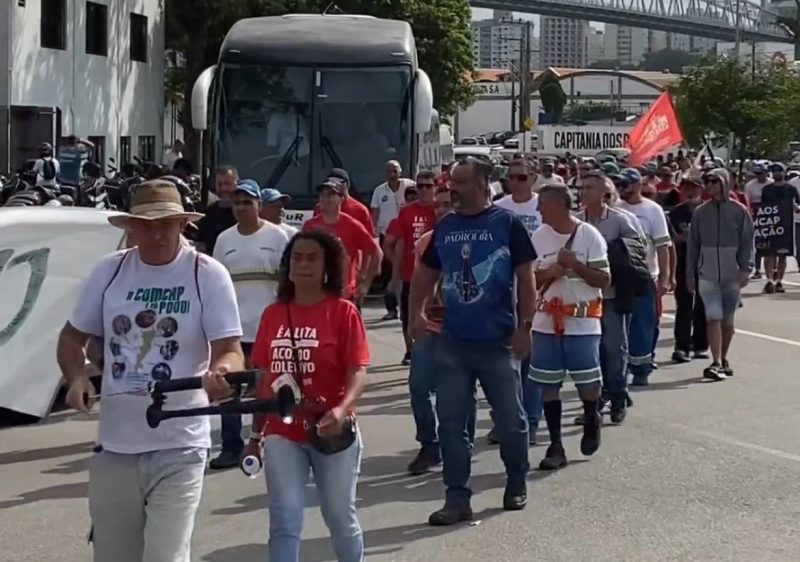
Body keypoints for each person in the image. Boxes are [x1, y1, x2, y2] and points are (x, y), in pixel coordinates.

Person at [56, 180, 244, 562]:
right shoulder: (109, 271)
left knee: (165, 556)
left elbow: (230, 350)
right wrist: (76, 377)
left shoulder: (206, 273)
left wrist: (220, 373)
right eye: (146, 224)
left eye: (166, 224)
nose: (157, 234)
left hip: (181, 442)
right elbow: (71, 338)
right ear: (131, 227)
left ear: (182, 225)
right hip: (116, 444)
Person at [209, 229, 368, 562]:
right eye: (297, 257)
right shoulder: (273, 315)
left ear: (327, 267)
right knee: (284, 520)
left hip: (331, 431)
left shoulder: (342, 312)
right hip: (283, 433)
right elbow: (263, 382)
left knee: (339, 517)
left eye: (312, 258)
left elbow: (357, 371)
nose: (303, 264)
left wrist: (342, 410)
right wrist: (254, 436)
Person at [411, 158, 536, 525]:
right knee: (451, 422)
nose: (454, 188)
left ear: (484, 186)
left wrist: (525, 326)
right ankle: (457, 496)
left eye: (462, 182)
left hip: (498, 342)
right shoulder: (445, 227)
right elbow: (427, 273)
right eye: (452, 182)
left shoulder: (506, 224)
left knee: (511, 420)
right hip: (453, 342)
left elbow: (525, 278)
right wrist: (415, 312)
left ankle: (516, 479)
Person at [209, 179, 291, 470]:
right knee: (229, 390)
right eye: (237, 203)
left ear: (259, 204)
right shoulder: (224, 240)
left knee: (266, 388)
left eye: (247, 202)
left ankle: (267, 440)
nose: (242, 208)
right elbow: (216, 284)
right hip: (234, 329)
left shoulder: (278, 237)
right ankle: (230, 446)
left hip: (268, 327)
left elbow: (287, 280)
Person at [531, 184, 610, 469]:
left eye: (542, 204)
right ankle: (555, 446)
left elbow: (603, 280)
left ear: (559, 206)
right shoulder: (538, 237)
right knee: (548, 386)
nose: (538, 209)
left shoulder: (589, 236)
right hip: (545, 323)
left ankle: (592, 416)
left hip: (582, 324)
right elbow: (527, 280)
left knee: (587, 385)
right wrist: (543, 275)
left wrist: (574, 264)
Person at [406, 185, 477, 475]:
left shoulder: (473, 240)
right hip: (431, 326)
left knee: (463, 391)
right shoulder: (425, 242)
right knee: (419, 387)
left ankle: (463, 444)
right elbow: (418, 284)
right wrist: (414, 318)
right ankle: (429, 445)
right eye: (438, 206)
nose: (443, 210)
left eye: (449, 204)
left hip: (463, 328)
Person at [577, 172, 643, 424]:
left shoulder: (620, 220)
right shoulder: (577, 221)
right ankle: (594, 403)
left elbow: (638, 255)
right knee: (590, 352)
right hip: (584, 297)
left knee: (615, 349)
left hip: (614, 295)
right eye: (582, 188)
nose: (584, 192)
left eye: (590, 188)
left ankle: (618, 397)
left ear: (605, 193)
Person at [491, 158, 543, 444]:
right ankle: (505, 419)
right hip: (505, 293)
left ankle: (530, 422)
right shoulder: (500, 208)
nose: (516, 181)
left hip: (539, 289)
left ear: (533, 178)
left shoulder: (542, 206)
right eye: (511, 177)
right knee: (503, 368)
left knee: (529, 366)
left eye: (522, 177)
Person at [686, 168, 754, 380]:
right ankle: (715, 361)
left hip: (732, 274)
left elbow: (747, 242)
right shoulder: (700, 212)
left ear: (724, 183)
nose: (710, 185)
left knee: (728, 321)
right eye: (707, 181)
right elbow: (693, 246)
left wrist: (746, 268)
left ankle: (724, 358)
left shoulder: (739, 210)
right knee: (712, 317)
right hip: (707, 275)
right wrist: (690, 274)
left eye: (714, 181)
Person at [616, 168, 672, 386]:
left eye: (625, 185)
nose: (621, 189)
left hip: (645, 275)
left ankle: (641, 368)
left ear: (638, 185)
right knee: (620, 326)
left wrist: (665, 277)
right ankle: (621, 366)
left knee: (643, 324)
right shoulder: (615, 210)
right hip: (620, 277)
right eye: (619, 185)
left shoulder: (653, 210)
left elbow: (662, 245)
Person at [385, 171, 437, 365]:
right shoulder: (407, 212)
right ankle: (410, 351)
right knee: (408, 315)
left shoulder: (440, 209)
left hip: (437, 275)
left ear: (435, 188)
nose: (423, 190)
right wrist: (397, 269)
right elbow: (390, 243)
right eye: (420, 186)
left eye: (428, 186)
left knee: (434, 315)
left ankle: (432, 352)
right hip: (411, 274)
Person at [303, 178, 382, 304]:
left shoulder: (352, 225)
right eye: (322, 194)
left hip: (344, 294)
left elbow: (376, 252)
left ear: (341, 199)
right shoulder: (310, 226)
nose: (325, 198)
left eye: (330, 195)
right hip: (316, 292)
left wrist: (366, 284)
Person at [669, 178, 709, 363]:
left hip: (705, 264)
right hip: (683, 263)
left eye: (694, 187)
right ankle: (681, 347)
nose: (690, 191)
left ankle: (701, 345)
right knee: (684, 305)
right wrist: (682, 238)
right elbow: (669, 240)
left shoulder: (708, 211)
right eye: (686, 188)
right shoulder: (676, 213)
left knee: (703, 304)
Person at [371, 160, 416, 320]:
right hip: (387, 236)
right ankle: (391, 309)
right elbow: (375, 212)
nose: (392, 174)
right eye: (389, 171)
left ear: (400, 172)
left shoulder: (410, 186)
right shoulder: (379, 191)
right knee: (388, 273)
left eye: (395, 171)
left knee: (408, 272)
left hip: (408, 235)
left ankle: (410, 307)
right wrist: (373, 231)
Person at [761, 163, 800, 293]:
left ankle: (779, 281)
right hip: (771, 225)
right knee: (769, 254)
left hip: (787, 225)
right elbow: (763, 208)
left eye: (779, 171)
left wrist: (796, 208)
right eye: (774, 171)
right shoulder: (767, 190)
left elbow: (798, 205)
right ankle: (769, 281)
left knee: (783, 255)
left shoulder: (791, 189)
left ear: (784, 173)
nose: (777, 173)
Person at [195, 166, 238, 254]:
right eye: (220, 184)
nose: (223, 188)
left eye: (227, 184)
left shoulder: (243, 211)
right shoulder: (209, 213)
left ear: (236, 184)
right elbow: (202, 243)